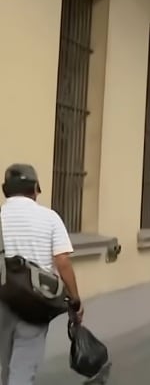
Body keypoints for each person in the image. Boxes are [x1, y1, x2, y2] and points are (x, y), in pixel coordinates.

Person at [0, 164, 82, 384]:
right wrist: (75, 300)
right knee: (23, 368)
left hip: (2, 300)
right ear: (35, 188)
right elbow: (62, 262)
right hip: (35, 303)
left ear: (6, 189)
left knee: (4, 366)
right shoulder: (50, 218)